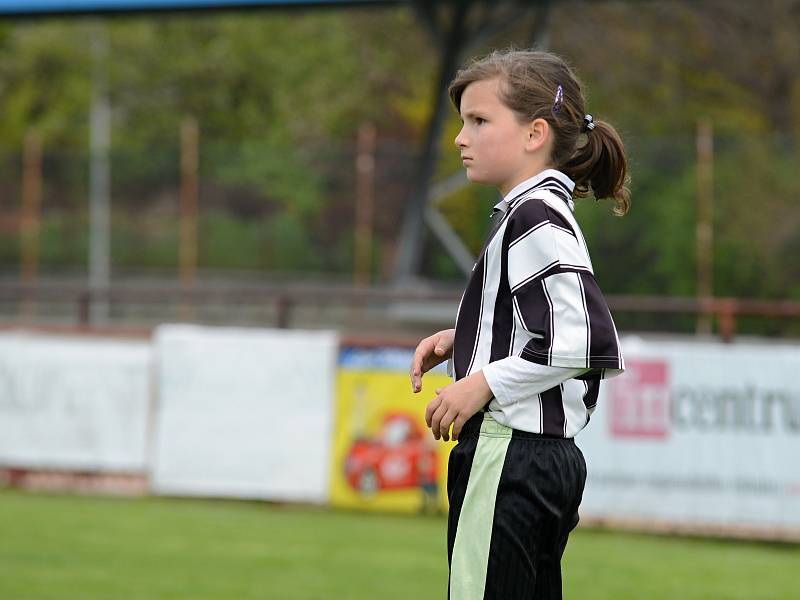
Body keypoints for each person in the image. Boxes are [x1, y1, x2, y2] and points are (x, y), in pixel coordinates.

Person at [410, 49, 628, 599]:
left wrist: (482, 381)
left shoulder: (533, 216)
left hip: (510, 453)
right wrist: (468, 339)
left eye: (479, 121)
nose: (462, 137)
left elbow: (584, 340)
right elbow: (552, 323)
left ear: (535, 134)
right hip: (537, 459)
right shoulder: (535, 212)